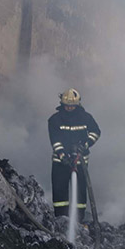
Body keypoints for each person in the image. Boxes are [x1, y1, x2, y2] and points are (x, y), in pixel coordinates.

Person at [48, 88, 101, 217]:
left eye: (72, 106)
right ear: (62, 104)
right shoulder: (55, 119)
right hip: (60, 162)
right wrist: (62, 155)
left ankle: (79, 220)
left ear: (77, 104)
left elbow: (96, 132)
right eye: (67, 106)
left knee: (80, 192)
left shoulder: (86, 117)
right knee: (60, 192)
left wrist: (86, 144)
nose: (69, 108)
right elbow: (55, 140)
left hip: (81, 161)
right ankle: (61, 219)